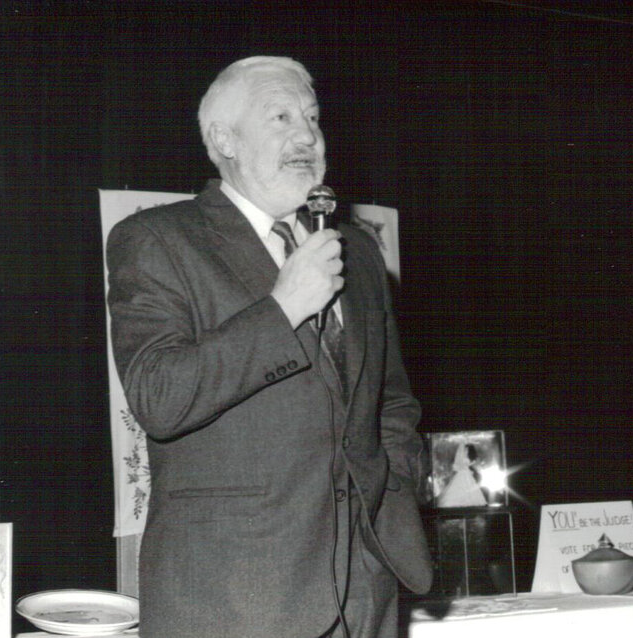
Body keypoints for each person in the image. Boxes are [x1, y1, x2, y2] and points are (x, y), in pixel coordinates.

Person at [106, 56, 431, 638]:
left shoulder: (354, 252)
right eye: (280, 116)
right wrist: (284, 307)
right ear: (224, 140)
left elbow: (391, 404)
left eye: (312, 118)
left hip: (364, 596)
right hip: (233, 602)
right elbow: (159, 395)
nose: (306, 134)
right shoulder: (156, 239)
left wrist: (387, 495)